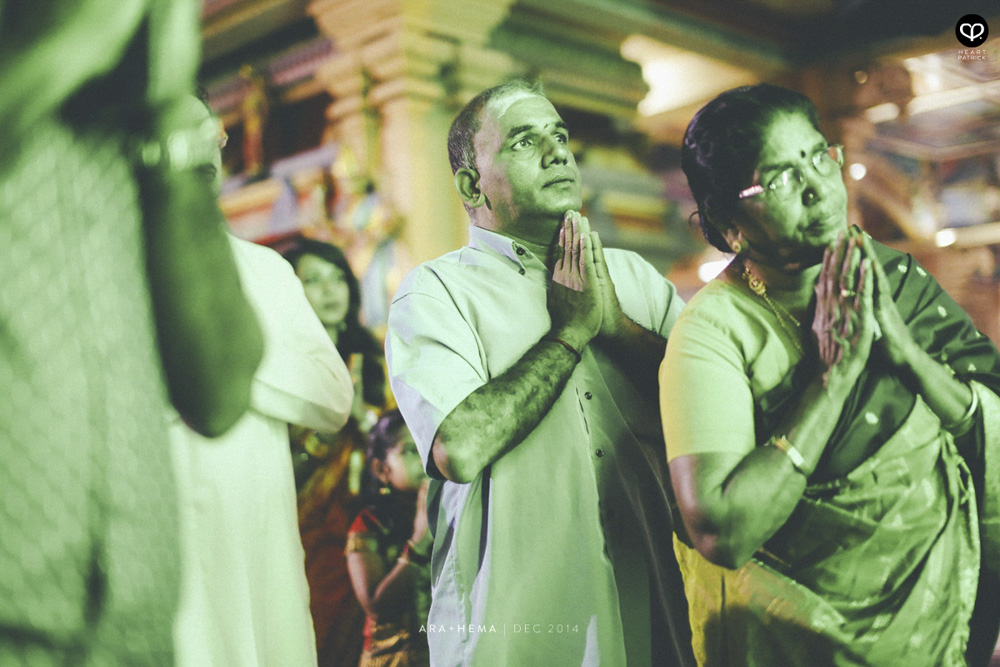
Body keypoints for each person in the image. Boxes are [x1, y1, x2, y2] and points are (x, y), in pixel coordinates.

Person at [662, 83, 1000, 666]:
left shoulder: (893, 281)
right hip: (806, 639)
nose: (818, 188)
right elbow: (723, 531)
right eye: (780, 178)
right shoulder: (713, 331)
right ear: (728, 223)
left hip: (946, 619)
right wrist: (832, 382)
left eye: (819, 157)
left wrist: (911, 360)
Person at [386, 79, 693, 666]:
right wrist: (568, 336)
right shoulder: (436, 292)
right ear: (471, 184)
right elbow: (460, 448)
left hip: (653, 596)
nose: (557, 153)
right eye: (524, 141)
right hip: (517, 622)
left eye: (559, 136)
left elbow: (707, 407)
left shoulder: (633, 277)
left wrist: (615, 327)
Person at [0, 2, 263, 665]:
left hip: (134, 628)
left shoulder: (136, 138)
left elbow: (221, 392)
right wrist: (74, 36)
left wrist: (171, 124)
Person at [169, 96, 355, 666]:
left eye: (212, 133)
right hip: (169, 529)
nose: (205, 146)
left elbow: (332, 397)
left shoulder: (267, 270)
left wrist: (218, 355)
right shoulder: (107, 269)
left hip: (258, 531)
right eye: (183, 130)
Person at [282, 237, 389, 667]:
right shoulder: (281, 364)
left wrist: (367, 423)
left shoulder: (377, 357)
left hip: (374, 526)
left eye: (337, 278)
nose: (330, 290)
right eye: (313, 280)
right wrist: (325, 435)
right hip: (310, 529)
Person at [346, 410, 432, 667]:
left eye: (427, 444)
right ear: (382, 469)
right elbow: (376, 607)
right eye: (411, 450)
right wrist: (420, 542)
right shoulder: (369, 524)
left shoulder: (449, 510)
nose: (425, 457)